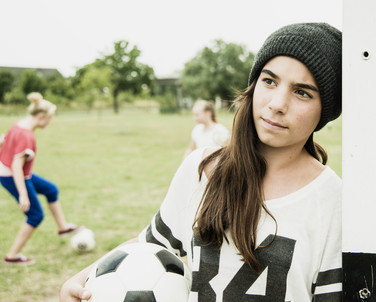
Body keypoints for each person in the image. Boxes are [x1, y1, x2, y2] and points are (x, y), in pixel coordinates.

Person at [61, 22, 342, 301]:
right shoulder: (203, 169)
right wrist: (81, 279)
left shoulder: (333, 201)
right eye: (269, 81)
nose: (277, 103)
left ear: (325, 110)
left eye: (302, 92)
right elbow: (149, 246)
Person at [1, 92, 78, 265]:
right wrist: (23, 194)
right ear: (41, 116)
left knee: (51, 189)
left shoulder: (19, 125)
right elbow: (16, 167)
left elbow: (4, 139)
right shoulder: (27, 136)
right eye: (50, 118)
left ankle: (63, 227)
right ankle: (12, 255)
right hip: (12, 176)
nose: (50, 122)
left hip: (12, 172)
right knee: (35, 215)